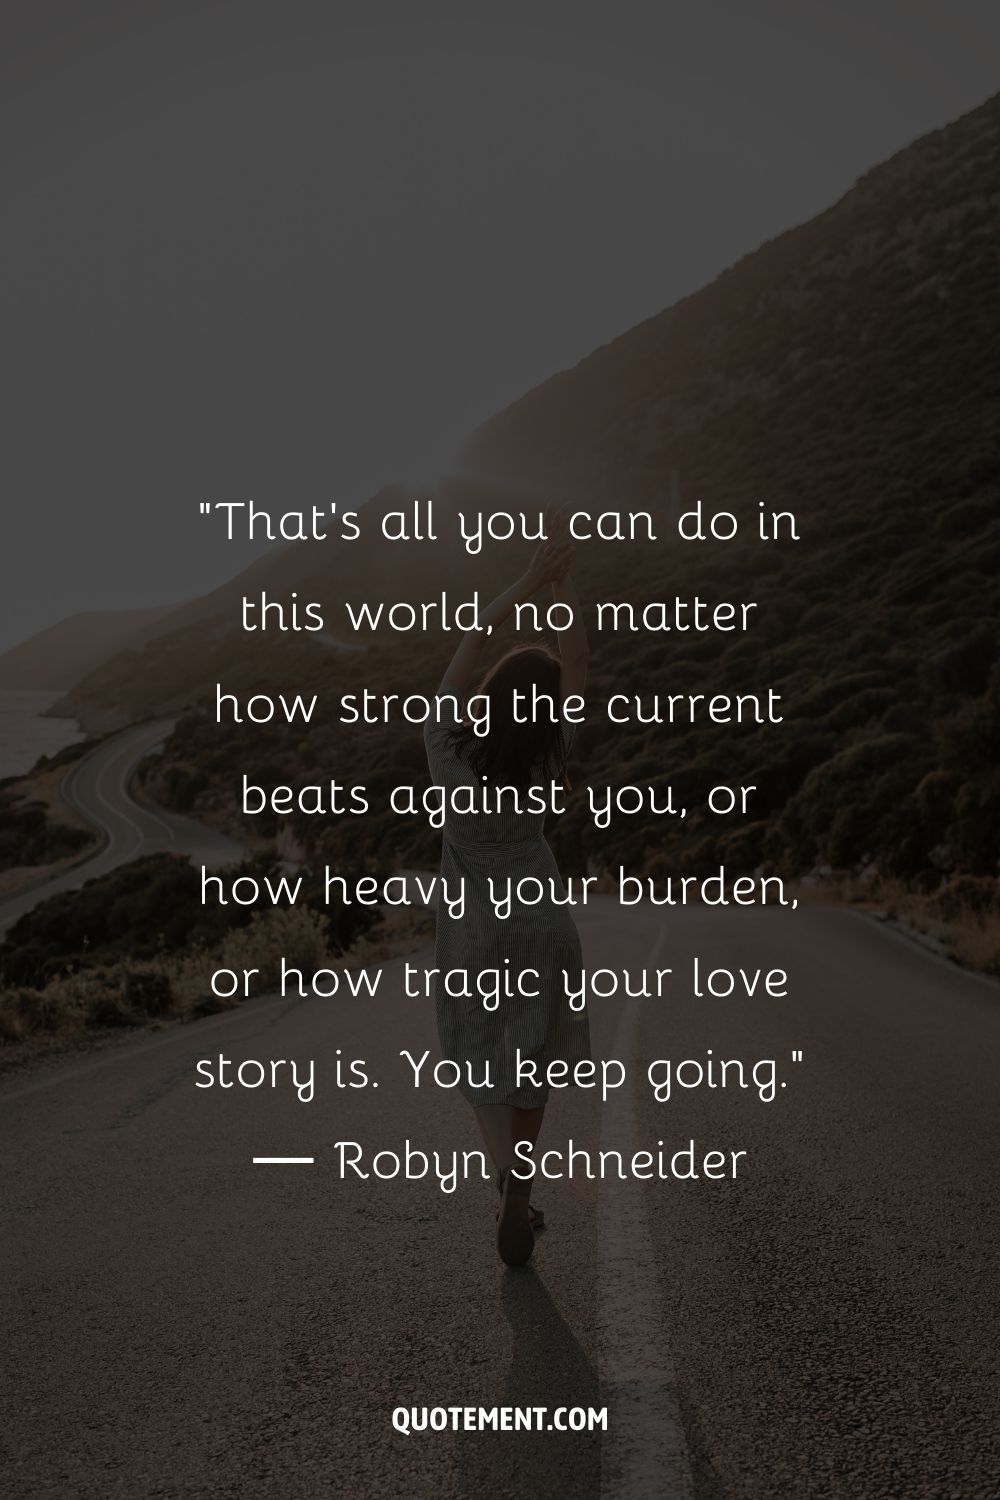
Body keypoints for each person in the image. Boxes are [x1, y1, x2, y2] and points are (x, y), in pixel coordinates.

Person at [423, 512, 591, 1267]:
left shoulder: (446, 747)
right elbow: (579, 663)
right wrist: (565, 592)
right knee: (532, 1053)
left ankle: (505, 1182)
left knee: (476, 1053)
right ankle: (520, 1181)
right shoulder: (548, 758)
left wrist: (521, 584)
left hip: (471, 926)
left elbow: (471, 646)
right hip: (538, 919)